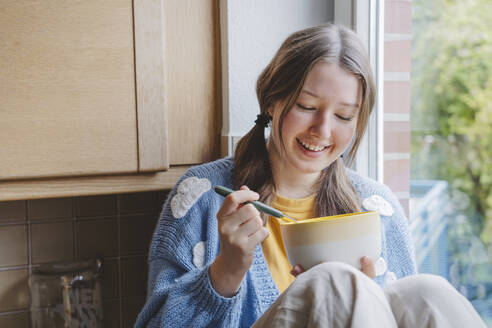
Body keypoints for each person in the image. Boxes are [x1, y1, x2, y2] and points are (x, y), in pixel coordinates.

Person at [135, 23, 485, 327]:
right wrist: (225, 271)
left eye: (345, 116)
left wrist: (366, 299)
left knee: (428, 292)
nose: (323, 130)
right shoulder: (203, 198)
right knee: (335, 282)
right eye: (306, 107)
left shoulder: (379, 211)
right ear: (272, 100)